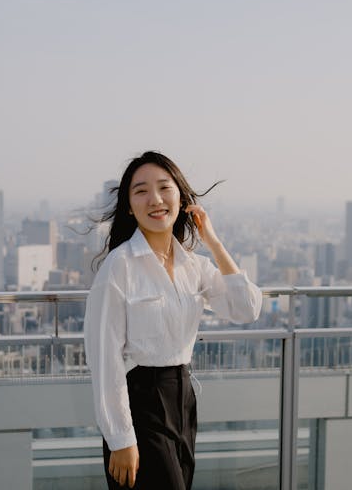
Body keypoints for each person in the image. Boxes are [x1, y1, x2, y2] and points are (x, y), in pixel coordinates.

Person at [84, 151, 262, 489]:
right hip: (140, 403)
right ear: (128, 206)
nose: (155, 199)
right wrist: (121, 439)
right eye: (141, 191)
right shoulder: (119, 267)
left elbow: (246, 308)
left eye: (165, 188)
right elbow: (103, 358)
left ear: (181, 198)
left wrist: (212, 239)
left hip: (183, 400)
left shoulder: (192, 266)